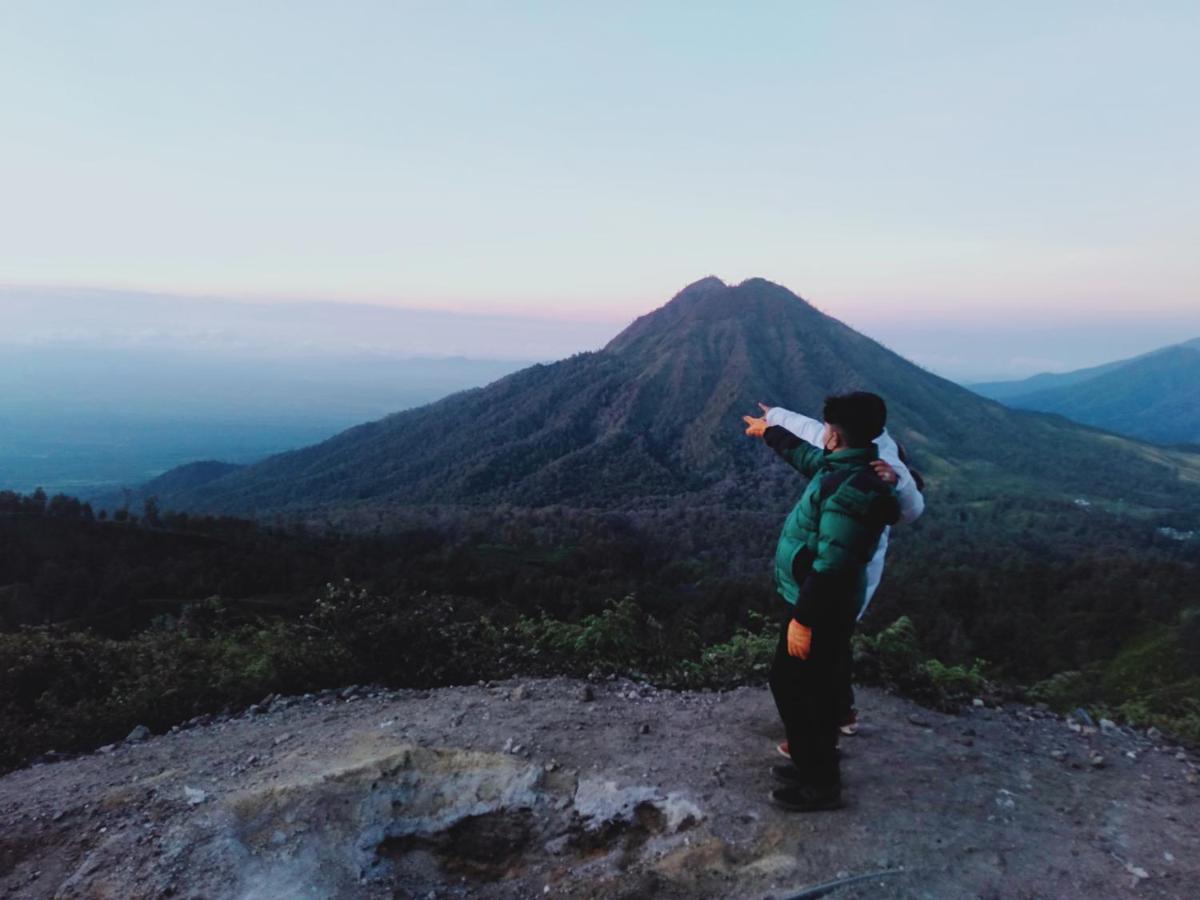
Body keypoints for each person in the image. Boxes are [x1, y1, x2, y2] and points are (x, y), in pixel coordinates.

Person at [744, 392, 901, 812]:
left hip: (820, 609)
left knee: (794, 685)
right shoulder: (847, 468)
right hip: (817, 603)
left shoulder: (853, 490)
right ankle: (813, 762)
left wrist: (803, 619)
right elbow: (805, 459)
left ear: (832, 435)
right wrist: (770, 433)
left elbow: (832, 566)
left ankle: (821, 783)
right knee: (807, 685)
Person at [752, 401, 925, 740]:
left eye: (830, 428)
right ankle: (835, 717)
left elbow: (911, 509)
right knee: (831, 647)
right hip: (830, 580)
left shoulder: (876, 469)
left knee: (811, 663)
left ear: (837, 435)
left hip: (834, 583)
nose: (825, 431)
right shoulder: (851, 453)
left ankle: (815, 748)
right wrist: (772, 422)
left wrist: (900, 484)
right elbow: (809, 440)